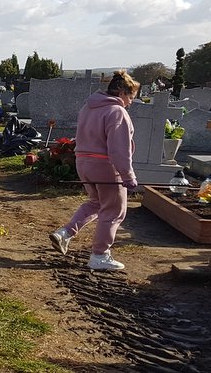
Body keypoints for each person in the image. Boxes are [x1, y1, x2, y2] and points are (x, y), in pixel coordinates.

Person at [49, 70, 140, 271]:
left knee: (96, 203)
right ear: (122, 92)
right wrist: (128, 175)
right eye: (131, 97)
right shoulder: (117, 112)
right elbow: (119, 149)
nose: (131, 102)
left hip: (83, 163)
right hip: (106, 166)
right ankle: (100, 255)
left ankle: (65, 233)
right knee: (114, 210)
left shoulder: (88, 108)